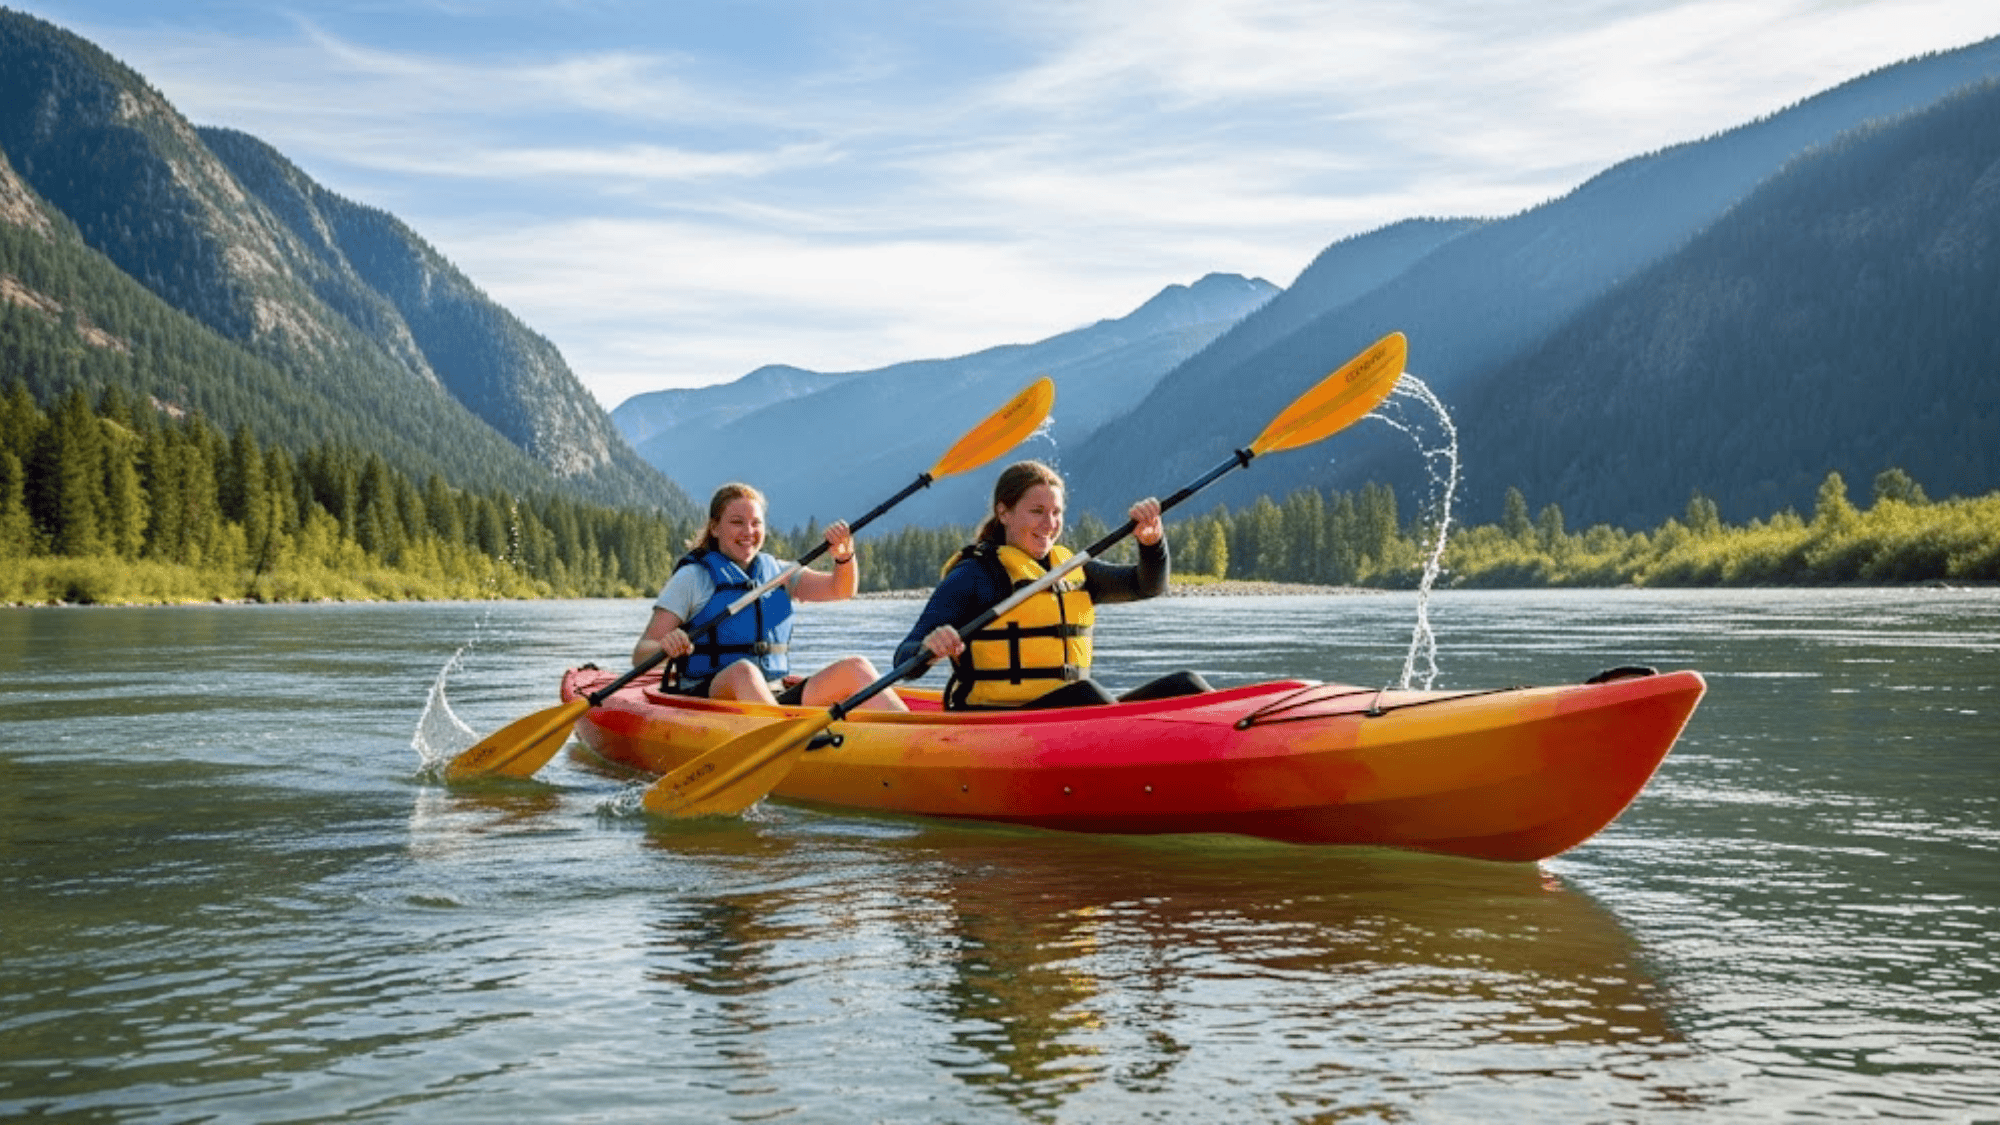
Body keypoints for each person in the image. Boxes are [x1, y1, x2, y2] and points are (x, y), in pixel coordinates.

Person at [893, 460, 1211, 710]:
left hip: (1070, 716)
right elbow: (903, 660)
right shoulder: (974, 575)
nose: (1050, 524)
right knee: (1086, 694)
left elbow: (1147, 585)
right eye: (1037, 512)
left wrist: (1152, 542)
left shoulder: (1072, 570)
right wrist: (929, 649)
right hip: (997, 722)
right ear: (1003, 512)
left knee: (1185, 684)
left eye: (1056, 512)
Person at [636, 483, 905, 711]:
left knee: (856, 668)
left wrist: (844, 556)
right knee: (744, 671)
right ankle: (787, 744)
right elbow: (641, 654)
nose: (748, 532)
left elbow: (841, 589)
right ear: (715, 528)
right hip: (708, 699)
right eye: (736, 522)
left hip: (772, 696)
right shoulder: (692, 578)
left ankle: (916, 740)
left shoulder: (780, 573)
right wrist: (666, 646)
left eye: (756, 523)